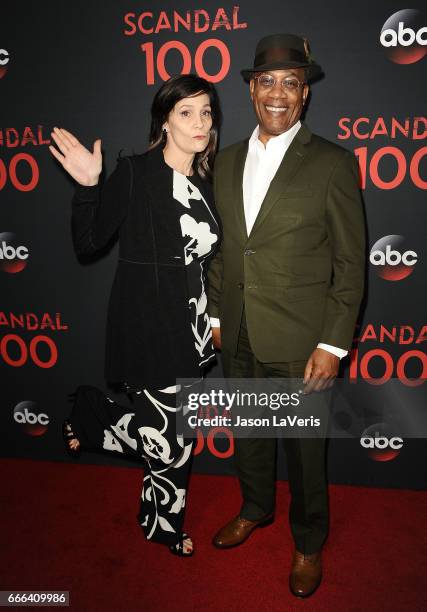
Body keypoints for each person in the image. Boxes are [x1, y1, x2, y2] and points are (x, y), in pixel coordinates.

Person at [208, 34, 365, 596]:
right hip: (239, 334)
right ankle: (255, 508)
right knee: (249, 436)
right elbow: (223, 249)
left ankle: (308, 542)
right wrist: (219, 318)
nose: (279, 93)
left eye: (291, 83)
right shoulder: (221, 164)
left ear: (305, 95)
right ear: (252, 90)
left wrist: (333, 343)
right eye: (268, 82)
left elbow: (350, 264)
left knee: (305, 456)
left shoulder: (332, 163)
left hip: (303, 342)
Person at [49, 74, 221, 557]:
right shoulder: (137, 173)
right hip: (148, 328)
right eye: (186, 112)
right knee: (173, 445)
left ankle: (96, 424)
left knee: (178, 440)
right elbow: (88, 245)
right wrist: (88, 186)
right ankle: (165, 529)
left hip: (191, 332)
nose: (199, 122)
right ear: (164, 121)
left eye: (206, 111)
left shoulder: (204, 181)